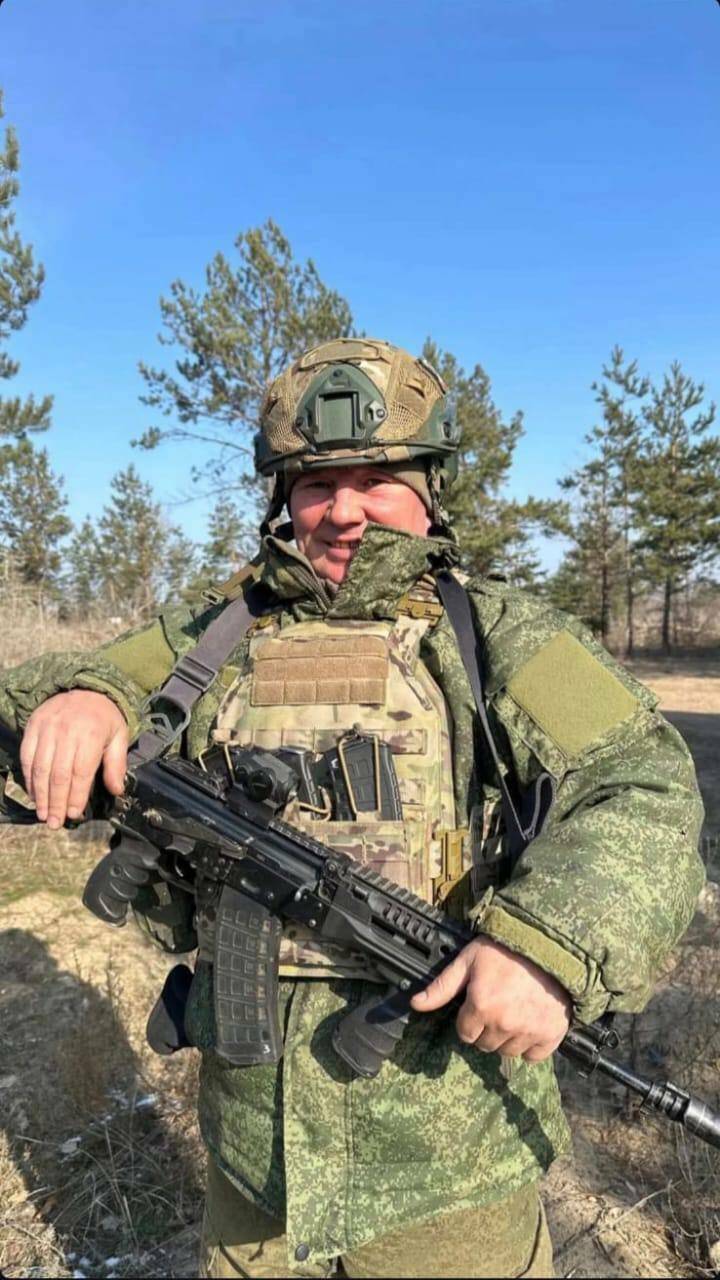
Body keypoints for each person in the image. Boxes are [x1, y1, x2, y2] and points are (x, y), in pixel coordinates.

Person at [0, 338, 705, 1279]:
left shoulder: (494, 633)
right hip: (253, 1161)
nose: (343, 510)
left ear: (428, 490)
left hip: (447, 1164)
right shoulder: (215, 632)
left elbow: (642, 782)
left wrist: (549, 944)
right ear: (282, 497)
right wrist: (82, 697)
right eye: (316, 482)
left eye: (376, 479)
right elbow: (42, 698)